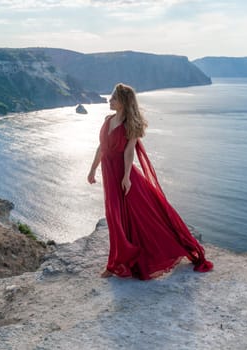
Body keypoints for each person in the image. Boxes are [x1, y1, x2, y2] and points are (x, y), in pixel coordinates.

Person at [87, 83, 213, 279]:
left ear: (123, 102)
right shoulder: (108, 120)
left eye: (113, 98)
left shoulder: (131, 125)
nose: (109, 101)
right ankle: (119, 261)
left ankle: (115, 264)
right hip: (108, 172)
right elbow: (101, 148)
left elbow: (129, 152)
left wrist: (127, 177)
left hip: (122, 174)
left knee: (135, 215)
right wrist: (92, 169)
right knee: (114, 217)